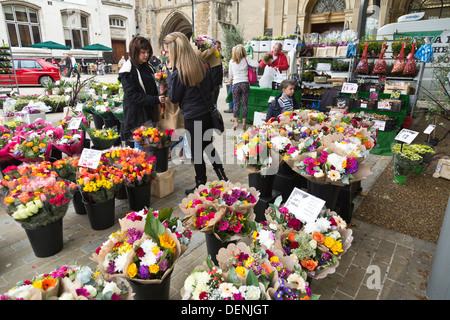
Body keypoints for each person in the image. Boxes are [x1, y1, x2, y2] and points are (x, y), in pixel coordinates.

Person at [163, 32, 228, 195]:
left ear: (175, 50)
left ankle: (200, 184)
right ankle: (222, 177)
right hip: (206, 113)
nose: (166, 53)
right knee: (208, 146)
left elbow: (174, 97)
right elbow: (213, 86)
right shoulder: (202, 63)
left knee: (198, 153)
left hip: (192, 117)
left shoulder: (179, 72)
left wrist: (169, 74)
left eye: (167, 50)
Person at [118, 36, 164, 148]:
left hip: (148, 111)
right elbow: (132, 95)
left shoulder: (146, 66)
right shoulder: (128, 70)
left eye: (148, 52)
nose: (146, 55)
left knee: (149, 147)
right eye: (143, 52)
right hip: (137, 115)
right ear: (135, 52)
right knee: (142, 150)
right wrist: (155, 99)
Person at [228, 44, 259, 130]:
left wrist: (231, 79)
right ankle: (244, 123)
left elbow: (230, 75)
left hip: (236, 84)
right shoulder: (246, 59)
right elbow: (257, 64)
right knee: (244, 104)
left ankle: (236, 122)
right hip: (245, 84)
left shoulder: (231, 61)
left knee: (236, 104)